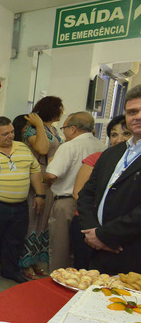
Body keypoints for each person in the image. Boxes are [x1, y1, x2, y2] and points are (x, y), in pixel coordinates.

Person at [78, 85, 141, 274]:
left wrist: (104, 235)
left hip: (132, 252)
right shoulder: (112, 153)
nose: (137, 117)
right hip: (98, 249)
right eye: (132, 112)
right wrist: (92, 232)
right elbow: (86, 194)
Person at [43, 111, 105, 271]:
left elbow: (52, 174)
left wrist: (46, 177)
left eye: (64, 128)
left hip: (67, 202)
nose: (63, 132)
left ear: (73, 129)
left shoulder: (69, 146)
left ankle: (58, 281)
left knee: (60, 249)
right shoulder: (102, 146)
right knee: (81, 251)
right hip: (92, 206)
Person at [0, 117, 45, 284]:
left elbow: (34, 170)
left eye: (12, 132)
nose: (11, 136)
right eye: (5, 134)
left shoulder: (22, 147)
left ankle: (11, 271)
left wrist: (40, 195)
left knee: (15, 240)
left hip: (20, 205)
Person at [69, 115, 130, 268]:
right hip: (89, 225)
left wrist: (105, 234)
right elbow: (82, 193)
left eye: (126, 133)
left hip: (122, 234)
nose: (119, 139)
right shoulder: (102, 158)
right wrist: (95, 232)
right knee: (83, 271)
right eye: (114, 134)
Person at [21, 96, 64, 278]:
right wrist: (39, 124)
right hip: (36, 176)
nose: (62, 111)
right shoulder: (31, 129)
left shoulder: (53, 129)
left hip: (51, 180)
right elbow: (42, 149)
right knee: (33, 220)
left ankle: (36, 260)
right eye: (60, 108)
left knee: (44, 222)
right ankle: (24, 263)